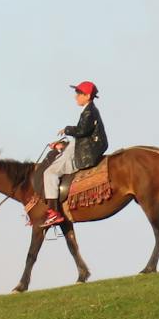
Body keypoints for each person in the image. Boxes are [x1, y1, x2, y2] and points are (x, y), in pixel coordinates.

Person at [41, 82, 108, 227]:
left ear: (87, 96)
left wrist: (67, 129)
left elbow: (81, 131)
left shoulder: (89, 112)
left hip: (87, 151)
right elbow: (83, 132)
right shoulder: (89, 110)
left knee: (49, 173)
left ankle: (54, 213)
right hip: (85, 145)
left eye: (79, 93)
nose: (75, 97)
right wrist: (63, 145)